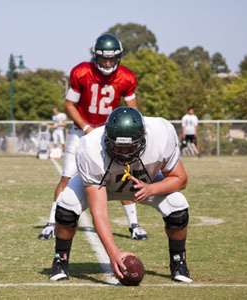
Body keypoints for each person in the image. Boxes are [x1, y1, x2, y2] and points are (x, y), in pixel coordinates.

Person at [49, 107, 192, 283]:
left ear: (143, 138)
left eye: (131, 146)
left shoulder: (162, 133)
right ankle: (60, 260)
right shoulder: (90, 146)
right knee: (66, 204)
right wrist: (113, 252)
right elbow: (99, 212)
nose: (125, 153)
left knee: (177, 205)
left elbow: (181, 179)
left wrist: (151, 189)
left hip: (143, 183)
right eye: (119, 147)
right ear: (107, 139)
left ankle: (178, 262)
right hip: (103, 184)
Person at [38, 34, 148, 241]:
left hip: (111, 135)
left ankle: (134, 224)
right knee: (67, 177)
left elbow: (133, 110)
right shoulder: (82, 72)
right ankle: (52, 222)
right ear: (96, 56)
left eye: (111, 58)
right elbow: (69, 105)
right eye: (103, 58)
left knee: (124, 176)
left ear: (119, 57)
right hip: (82, 131)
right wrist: (87, 127)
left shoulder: (126, 77)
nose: (107, 63)